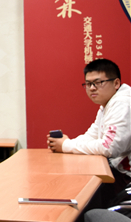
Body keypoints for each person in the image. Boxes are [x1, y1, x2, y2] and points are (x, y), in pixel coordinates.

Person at [47, 58, 131, 201]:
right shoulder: (108, 104)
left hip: (126, 179)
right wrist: (65, 144)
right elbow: (92, 135)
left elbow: (109, 148)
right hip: (118, 173)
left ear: (116, 83)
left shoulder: (122, 103)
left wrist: (66, 145)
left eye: (98, 82)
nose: (92, 88)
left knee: (83, 195)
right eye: (88, 84)